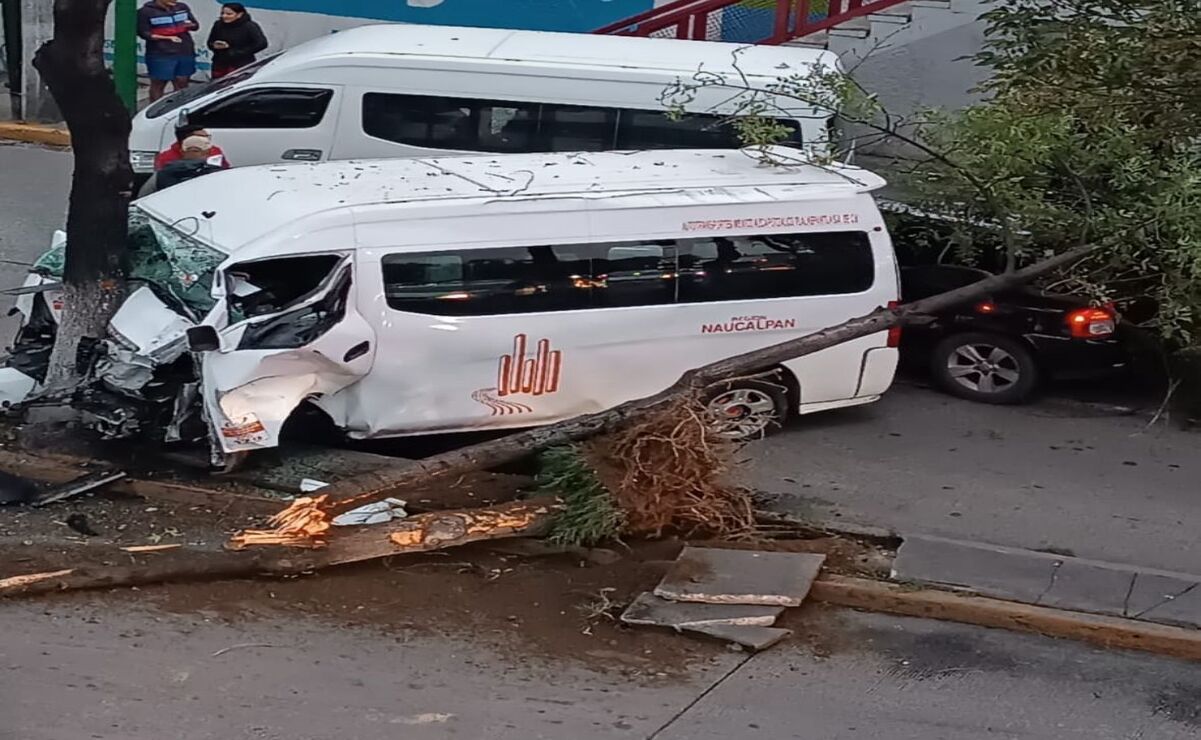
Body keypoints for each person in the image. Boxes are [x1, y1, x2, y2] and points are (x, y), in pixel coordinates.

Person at [137, 0, 200, 102]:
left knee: (182, 81)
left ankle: (177, 109)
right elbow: (144, 33)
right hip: (160, 53)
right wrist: (166, 37)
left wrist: (190, 25)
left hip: (185, 50)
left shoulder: (182, 7)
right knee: (159, 83)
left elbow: (196, 25)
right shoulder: (145, 12)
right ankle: (154, 112)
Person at [206, 3, 268, 80]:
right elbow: (210, 41)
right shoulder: (218, 24)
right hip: (220, 63)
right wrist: (214, 45)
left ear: (239, 14)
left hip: (241, 64)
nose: (224, 16)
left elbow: (262, 43)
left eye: (229, 14)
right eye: (222, 13)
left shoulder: (249, 26)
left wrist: (237, 52)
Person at [155, 135, 225, 191]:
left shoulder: (162, 172)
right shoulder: (217, 174)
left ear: (182, 151)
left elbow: (145, 196)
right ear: (208, 152)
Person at [154, 124, 231, 172]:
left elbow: (225, 170)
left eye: (207, 136)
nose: (207, 140)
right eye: (202, 137)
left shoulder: (215, 151)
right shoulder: (165, 158)